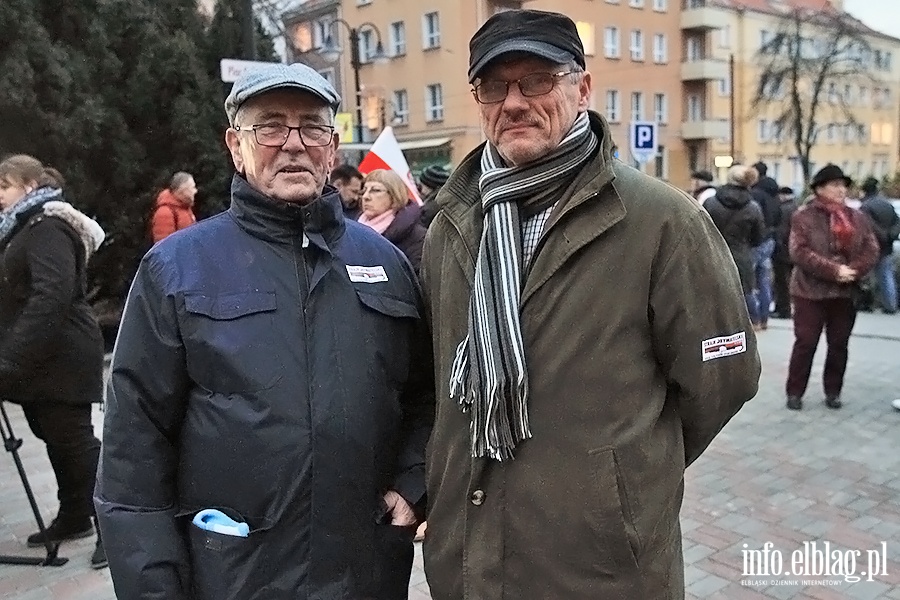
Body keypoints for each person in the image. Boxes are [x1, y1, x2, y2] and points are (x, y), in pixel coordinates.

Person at [419, 10, 761, 599]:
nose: (515, 102)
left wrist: (619, 480)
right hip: (471, 555)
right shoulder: (450, 225)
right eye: (495, 86)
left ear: (583, 87)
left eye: (538, 80)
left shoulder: (661, 220)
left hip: (602, 564)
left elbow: (723, 379)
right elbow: (438, 386)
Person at [95, 63, 434, 599]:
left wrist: (412, 484)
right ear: (236, 145)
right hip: (234, 573)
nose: (293, 144)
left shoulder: (386, 263)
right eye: (271, 126)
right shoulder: (177, 268)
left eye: (312, 127)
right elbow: (133, 449)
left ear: (333, 144)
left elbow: (425, 396)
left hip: (363, 570)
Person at [0, 155, 107, 569]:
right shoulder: (20, 228)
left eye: (4, 186)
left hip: (62, 357)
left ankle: (114, 525)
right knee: (53, 437)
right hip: (40, 361)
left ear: (29, 186)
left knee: (76, 443)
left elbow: (52, 296)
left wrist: (10, 360)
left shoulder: (47, 227)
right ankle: (75, 515)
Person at [785, 164, 879, 411]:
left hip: (845, 292)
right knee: (806, 343)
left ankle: (833, 391)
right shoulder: (803, 216)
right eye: (835, 185)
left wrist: (853, 270)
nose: (841, 190)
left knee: (839, 345)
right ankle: (795, 391)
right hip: (809, 291)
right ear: (819, 188)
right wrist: (833, 270)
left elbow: (871, 248)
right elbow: (799, 252)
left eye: (843, 185)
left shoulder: (857, 217)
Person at [704, 165, 766, 328]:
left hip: (713, 253)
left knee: (713, 291)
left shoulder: (711, 203)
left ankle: (715, 324)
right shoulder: (753, 207)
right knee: (744, 290)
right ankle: (753, 321)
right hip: (741, 254)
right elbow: (758, 238)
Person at [358, 169, 427, 272]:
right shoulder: (352, 228)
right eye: (364, 190)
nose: (366, 197)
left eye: (375, 190)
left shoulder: (417, 237)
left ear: (395, 196)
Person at [859, 176, 900, 313]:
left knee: (868, 277)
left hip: (872, 246)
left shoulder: (865, 207)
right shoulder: (887, 204)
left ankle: (868, 304)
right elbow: (897, 222)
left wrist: (882, 235)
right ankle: (891, 304)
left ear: (865, 191)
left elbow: (868, 225)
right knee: (886, 275)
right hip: (887, 246)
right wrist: (891, 236)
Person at [749, 161, 782, 329]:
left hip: (756, 240)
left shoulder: (756, 194)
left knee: (748, 280)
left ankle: (754, 318)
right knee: (764, 280)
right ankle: (764, 317)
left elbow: (754, 219)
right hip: (770, 239)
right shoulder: (775, 194)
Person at [150, 171, 198, 243]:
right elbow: (164, 247)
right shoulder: (165, 212)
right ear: (182, 190)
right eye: (192, 187)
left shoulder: (186, 209)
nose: (195, 191)